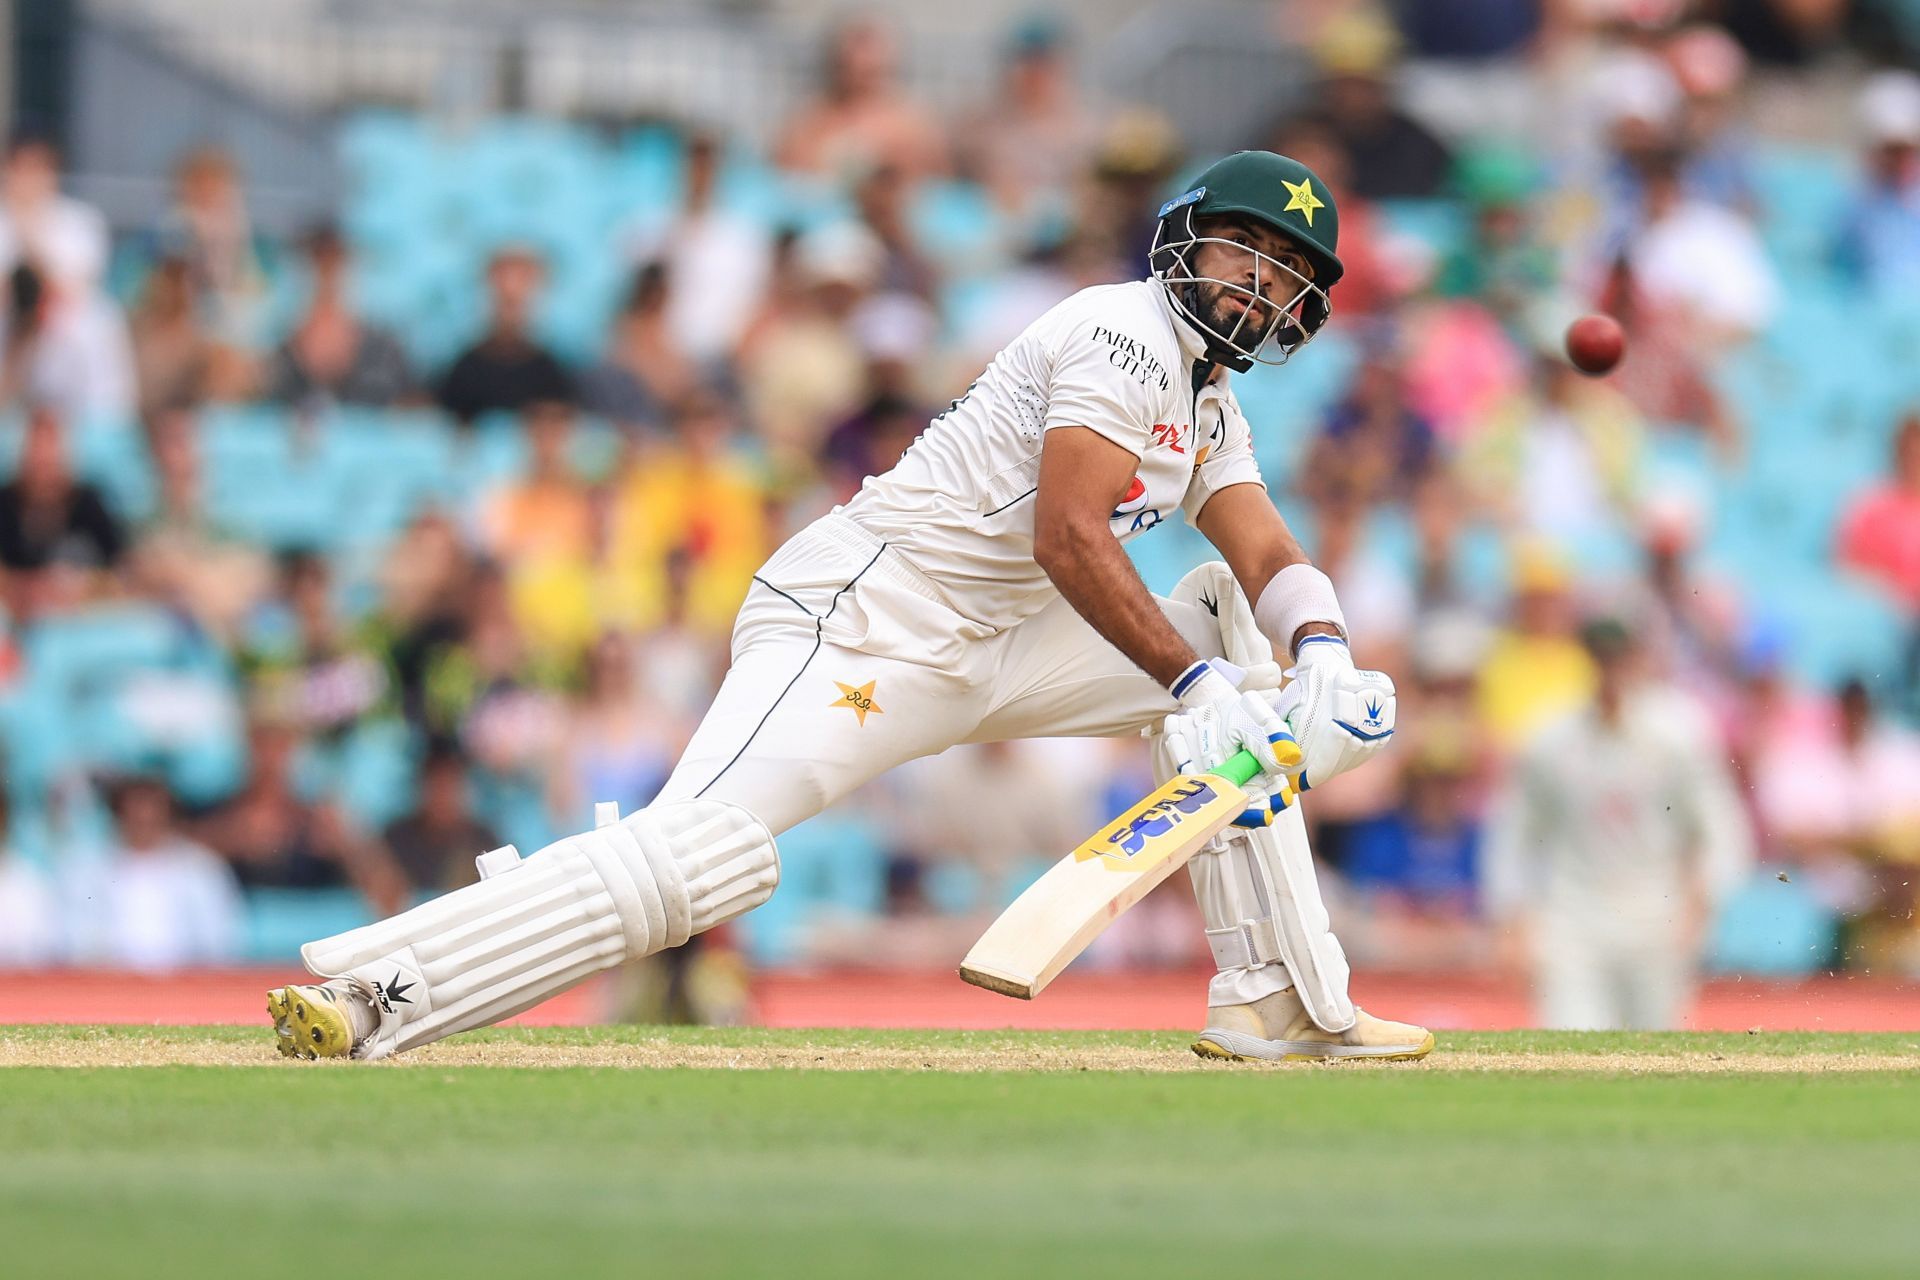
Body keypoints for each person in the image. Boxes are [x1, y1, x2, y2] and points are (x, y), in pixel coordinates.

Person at [269, 150, 1429, 1065]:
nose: (1257, 282)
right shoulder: (1122, 331)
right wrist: (1196, 685)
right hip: (868, 619)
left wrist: (1321, 651)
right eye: (1243, 248)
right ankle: (377, 990)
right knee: (705, 859)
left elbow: (1261, 540)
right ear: (1186, 240)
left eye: (1283, 272)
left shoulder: (1208, 400)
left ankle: (1277, 998)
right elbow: (1068, 532)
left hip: (1007, 643)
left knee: (1253, 644)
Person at [1484, 618, 1753, 1030]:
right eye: (1600, 658)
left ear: (1638, 659)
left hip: (1658, 919)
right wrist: (1512, 918)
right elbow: (1513, 833)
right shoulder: (1550, 737)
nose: (1609, 671)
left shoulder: (1679, 732)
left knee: (1660, 1054)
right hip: (1572, 921)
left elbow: (1721, 827)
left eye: (1617, 658)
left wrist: (1704, 901)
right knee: (1571, 1049)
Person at [434, 246, 572, 425]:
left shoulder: (552, 373)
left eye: (516, 303)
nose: (510, 307)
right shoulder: (462, 369)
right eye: (504, 301)